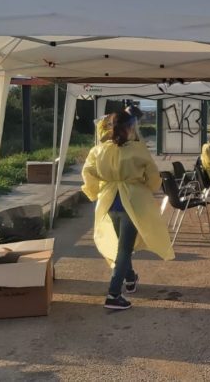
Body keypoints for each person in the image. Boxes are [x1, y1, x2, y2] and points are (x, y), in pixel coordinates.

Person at [82, 111, 174, 311]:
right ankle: (114, 294)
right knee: (124, 248)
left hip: (108, 202)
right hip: (132, 202)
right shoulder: (138, 150)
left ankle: (130, 279)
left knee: (122, 245)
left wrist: (94, 193)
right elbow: (152, 178)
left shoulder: (98, 150)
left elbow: (88, 174)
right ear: (130, 127)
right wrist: (146, 188)